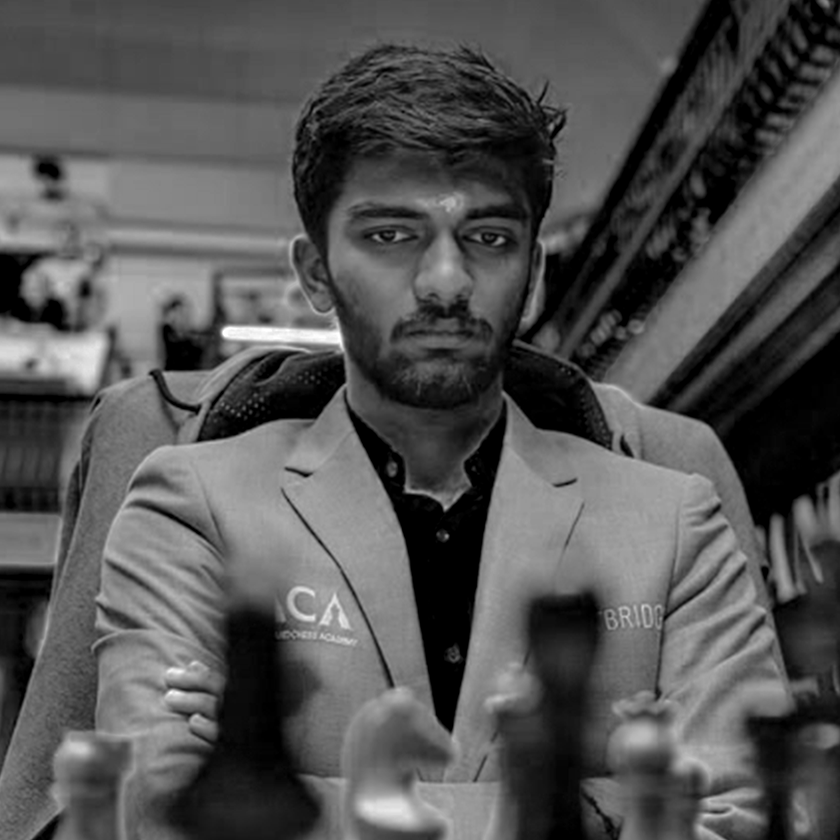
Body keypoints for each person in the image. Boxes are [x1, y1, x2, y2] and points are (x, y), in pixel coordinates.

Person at [94, 44, 788, 840]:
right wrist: (600, 804)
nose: (447, 283)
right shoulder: (193, 504)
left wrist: (291, 794)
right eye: (392, 235)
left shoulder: (672, 521)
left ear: (532, 270)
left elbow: (750, 816)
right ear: (315, 272)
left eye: (490, 238)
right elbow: (156, 816)